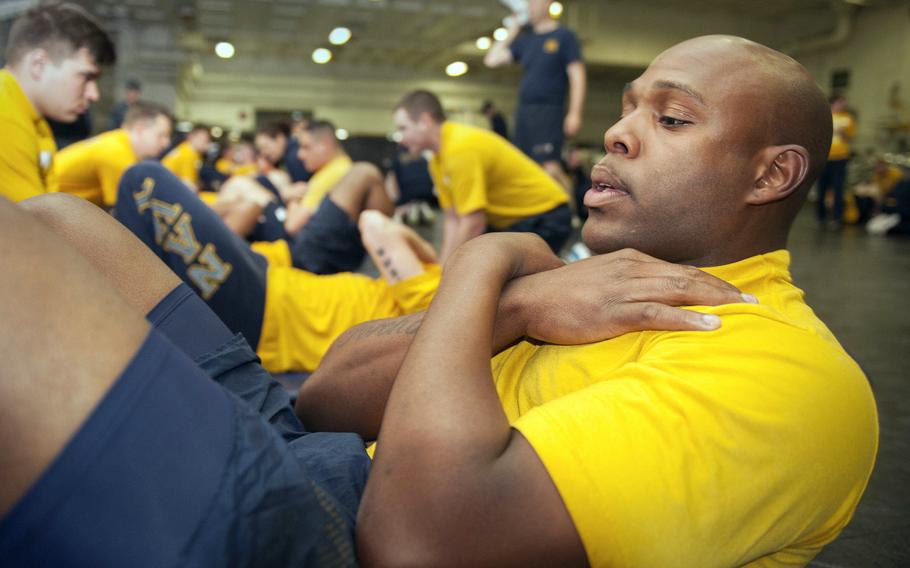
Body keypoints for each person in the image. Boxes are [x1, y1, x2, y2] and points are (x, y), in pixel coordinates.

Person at [298, 35, 878, 566]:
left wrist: (479, 262)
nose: (616, 133)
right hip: (305, 469)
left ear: (771, 175)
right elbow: (320, 401)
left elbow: (420, 546)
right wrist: (513, 307)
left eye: (672, 119)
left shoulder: (782, 373)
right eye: (627, 108)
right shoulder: (573, 288)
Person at [113, 162, 440, 373]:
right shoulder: (432, 296)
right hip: (269, 279)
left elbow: (374, 224)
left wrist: (433, 258)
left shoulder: (438, 303)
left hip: (267, 309)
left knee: (142, 181)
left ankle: (123, 335)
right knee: (237, 199)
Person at [393, 89, 572, 262]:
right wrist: (443, 267)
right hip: (512, 221)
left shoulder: (460, 148)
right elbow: (453, 218)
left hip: (546, 217)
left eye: (403, 128)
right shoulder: (437, 160)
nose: (401, 137)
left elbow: (473, 223)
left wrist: (447, 273)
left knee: (494, 274)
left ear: (424, 121)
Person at [214, 120, 390, 275]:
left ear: (325, 144)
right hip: (306, 244)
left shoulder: (335, 173)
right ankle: (204, 224)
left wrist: (293, 199)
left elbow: (292, 225)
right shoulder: (329, 172)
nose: (300, 155)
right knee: (243, 197)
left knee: (245, 196)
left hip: (301, 247)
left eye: (306, 147)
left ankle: (206, 229)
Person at [0, 2, 115, 203]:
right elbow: (32, 229)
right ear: (39, 64)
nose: (93, 94)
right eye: (86, 77)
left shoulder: (33, 121)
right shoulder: (4, 114)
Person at [484, 0, 586, 192]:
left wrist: (575, 112)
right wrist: (513, 29)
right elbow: (491, 60)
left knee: (549, 167)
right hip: (524, 112)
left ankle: (570, 214)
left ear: (547, 3)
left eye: (533, 2)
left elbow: (577, 76)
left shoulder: (564, 37)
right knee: (524, 165)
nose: (529, 6)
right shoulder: (526, 40)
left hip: (549, 112)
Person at [55, 101, 172, 207]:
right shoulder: (117, 154)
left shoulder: (116, 142)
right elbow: (122, 213)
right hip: (48, 212)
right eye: (161, 135)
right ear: (139, 129)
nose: (166, 143)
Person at [816, 94, 857, 230]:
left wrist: (843, 133)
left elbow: (851, 138)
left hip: (840, 159)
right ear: (834, 102)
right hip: (825, 157)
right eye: (841, 102)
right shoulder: (824, 116)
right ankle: (820, 217)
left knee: (838, 188)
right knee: (821, 188)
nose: (844, 105)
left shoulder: (848, 118)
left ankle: (837, 218)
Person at [161, 124, 211, 191]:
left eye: (207, 141)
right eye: (203, 140)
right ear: (191, 137)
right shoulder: (188, 153)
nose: (206, 144)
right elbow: (189, 186)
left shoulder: (187, 149)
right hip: (165, 189)